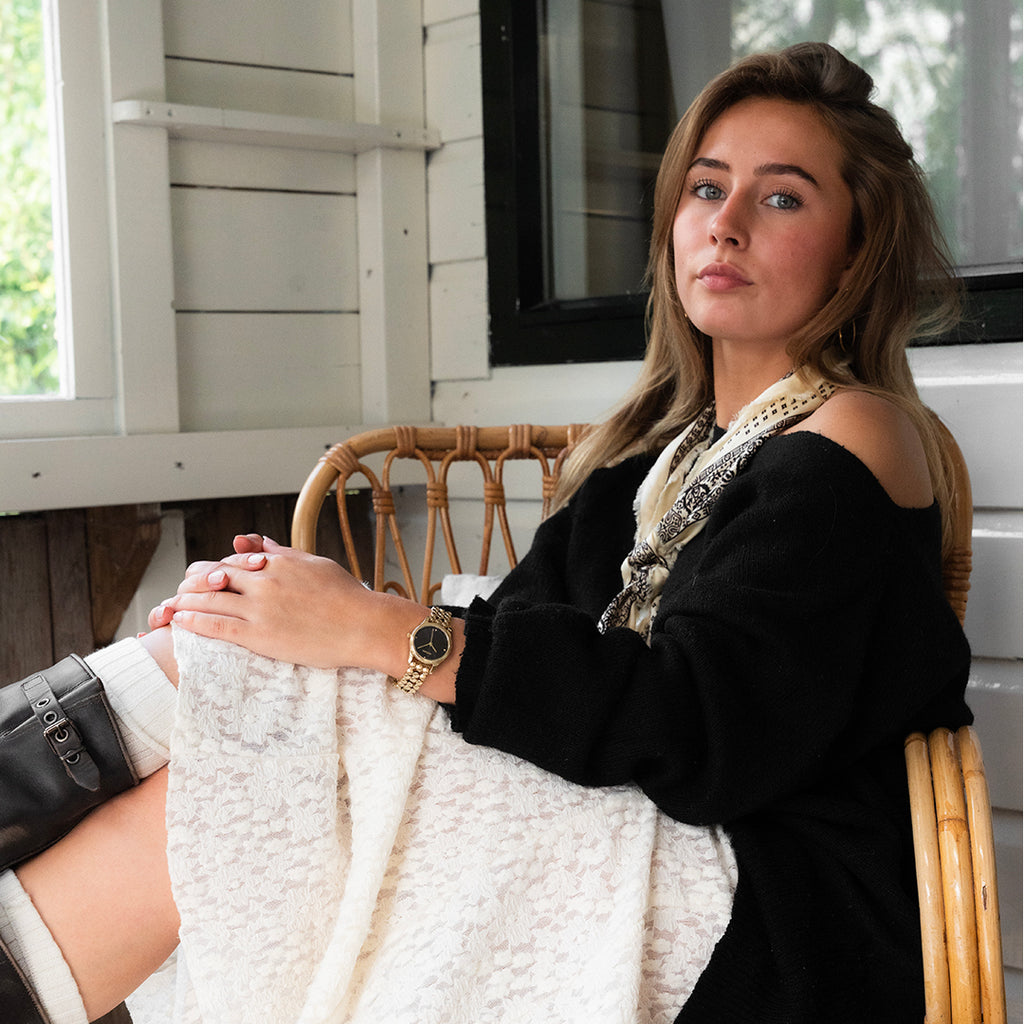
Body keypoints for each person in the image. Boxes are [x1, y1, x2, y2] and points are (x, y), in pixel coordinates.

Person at [0, 41, 972, 1023]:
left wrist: (370, 628)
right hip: (627, 826)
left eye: (782, 198)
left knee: (255, 716)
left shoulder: (855, 431)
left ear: (857, 249)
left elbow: (703, 726)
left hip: (761, 900)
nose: (724, 223)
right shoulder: (649, 474)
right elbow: (505, 652)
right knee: (253, 672)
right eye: (705, 188)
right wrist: (307, 619)